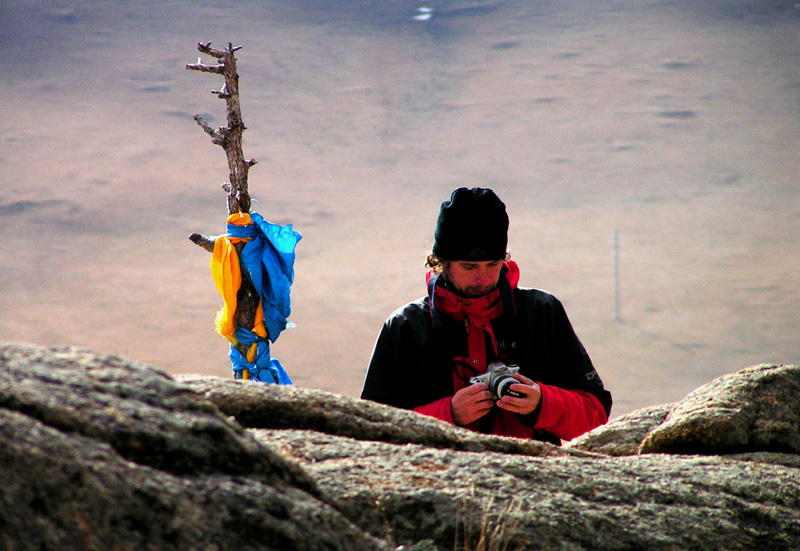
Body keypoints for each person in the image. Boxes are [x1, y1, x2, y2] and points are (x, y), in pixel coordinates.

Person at [361, 187, 612, 444]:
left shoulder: (541, 312)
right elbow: (369, 431)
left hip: (532, 478)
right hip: (440, 479)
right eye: (469, 267)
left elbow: (596, 417)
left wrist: (541, 403)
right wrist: (448, 415)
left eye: (493, 264)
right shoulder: (406, 327)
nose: (483, 279)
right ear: (441, 262)